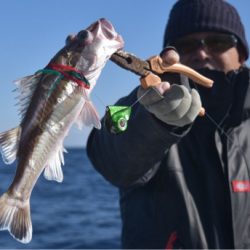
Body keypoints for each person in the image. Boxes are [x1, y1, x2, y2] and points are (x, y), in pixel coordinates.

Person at [87, 0, 250, 248]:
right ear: (167, 56)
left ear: (242, 53)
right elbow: (104, 148)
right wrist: (152, 118)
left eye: (218, 42)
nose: (201, 53)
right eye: (186, 45)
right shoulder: (132, 103)